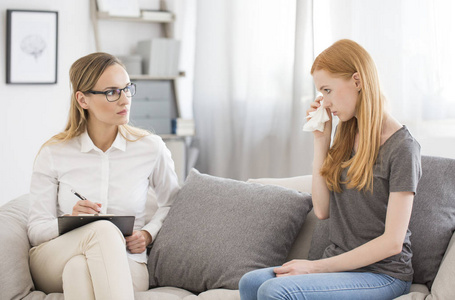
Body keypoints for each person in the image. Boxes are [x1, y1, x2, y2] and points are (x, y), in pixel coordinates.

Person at [239, 39, 422, 300]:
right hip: (340, 266)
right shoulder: (347, 134)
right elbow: (323, 210)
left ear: (357, 81)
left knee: (273, 291)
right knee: (250, 283)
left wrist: (313, 267)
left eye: (328, 90)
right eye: (321, 93)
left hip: (383, 274)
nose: (324, 102)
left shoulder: (403, 147)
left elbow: (392, 242)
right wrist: (321, 141)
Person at [27, 52, 180, 300]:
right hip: (54, 257)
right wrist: (70, 219)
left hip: (127, 262)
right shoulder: (54, 152)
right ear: (83, 99)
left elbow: (173, 203)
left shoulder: (150, 148)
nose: (124, 100)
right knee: (103, 231)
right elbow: (35, 230)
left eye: (127, 88)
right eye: (112, 92)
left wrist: (148, 233)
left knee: (78, 269)